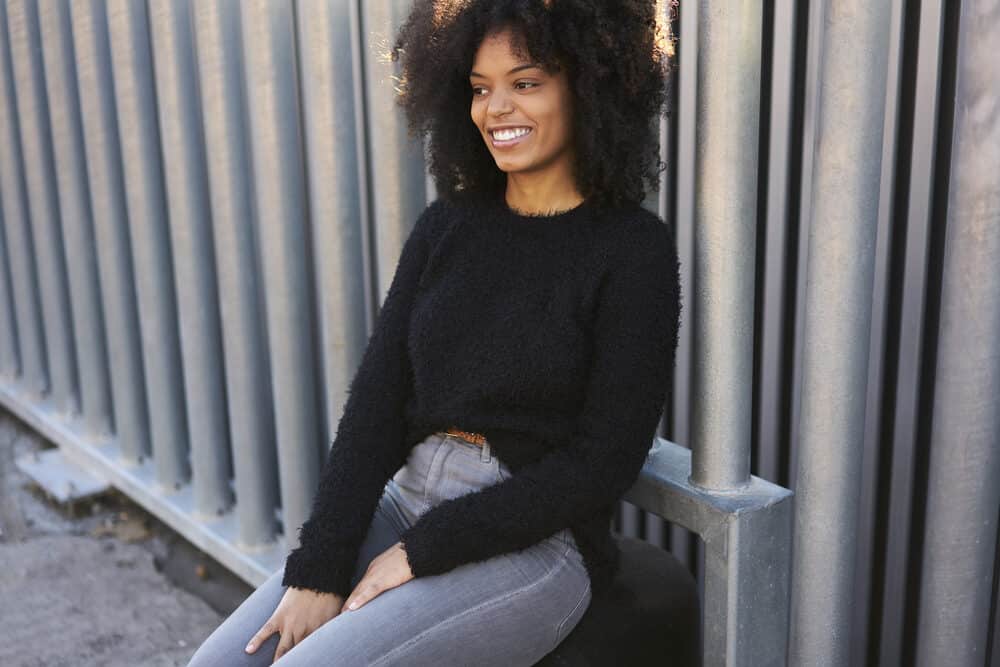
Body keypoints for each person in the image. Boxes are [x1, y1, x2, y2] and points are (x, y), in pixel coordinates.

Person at [187, 0, 679, 664]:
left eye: (526, 82)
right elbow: (377, 403)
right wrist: (320, 565)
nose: (495, 108)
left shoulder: (633, 253)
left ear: (590, 84)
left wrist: (424, 550)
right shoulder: (446, 227)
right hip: (407, 498)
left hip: (538, 543)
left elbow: (601, 464)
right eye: (480, 88)